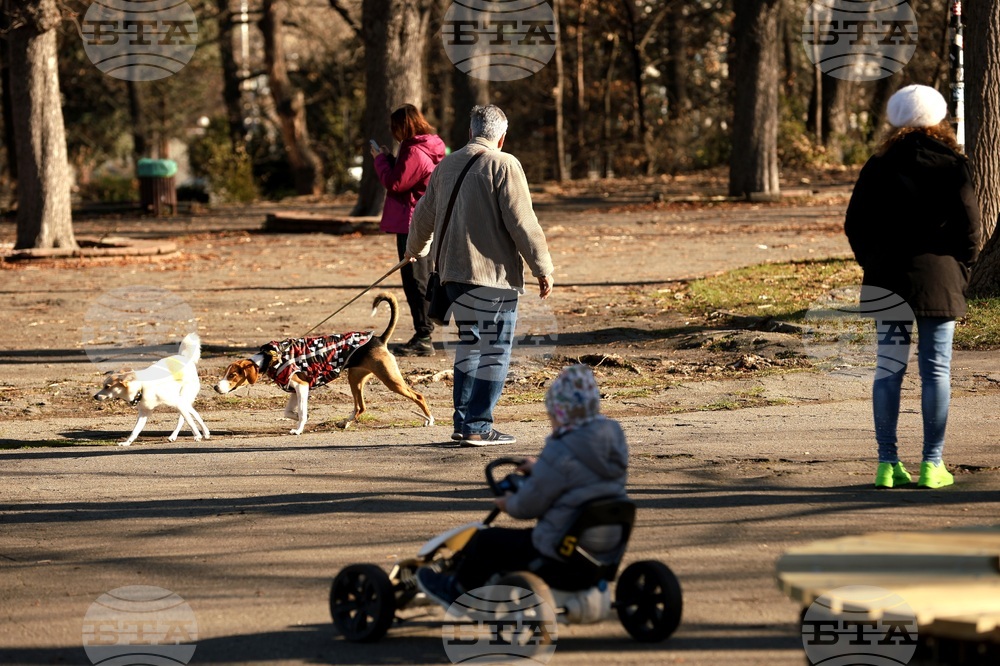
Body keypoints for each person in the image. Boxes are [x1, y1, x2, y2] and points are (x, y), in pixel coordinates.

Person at [844, 84, 982, 489]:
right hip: (939, 279)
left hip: (888, 280)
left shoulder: (878, 165)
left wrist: (873, 261)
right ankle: (931, 464)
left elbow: (855, 224)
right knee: (936, 371)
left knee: (889, 369)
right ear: (938, 119)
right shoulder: (953, 164)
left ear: (895, 119)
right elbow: (971, 228)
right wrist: (962, 266)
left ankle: (887, 464)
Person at [416, 365, 628, 607]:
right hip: (602, 549)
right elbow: (579, 474)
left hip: (556, 552)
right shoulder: (611, 440)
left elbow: (527, 506)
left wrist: (508, 503)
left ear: (559, 413)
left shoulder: (560, 449)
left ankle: (457, 589)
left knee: (485, 540)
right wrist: (541, 468)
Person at [405, 104, 554, 445]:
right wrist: (542, 267)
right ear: (502, 137)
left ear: (470, 132)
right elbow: (522, 222)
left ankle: (463, 423)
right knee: (494, 349)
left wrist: (415, 250)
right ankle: (478, 424)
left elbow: (423, 214)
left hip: (453, 274)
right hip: (491, 277)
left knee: (471, 345)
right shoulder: (505, 164)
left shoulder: (446, 165)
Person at [371, 104, 446, 357]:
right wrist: (390, 159)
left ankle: (424, 336)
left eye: (395, 128)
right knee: (421, 277)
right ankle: (425, 331)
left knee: (415, 280)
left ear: (403, 126)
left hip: (413, 221)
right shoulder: (427, 146)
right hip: (424, 218)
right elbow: (408, 175)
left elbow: (396, 183)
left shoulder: (414, 149)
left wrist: (379, 160)